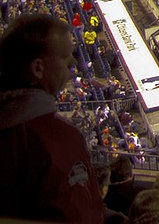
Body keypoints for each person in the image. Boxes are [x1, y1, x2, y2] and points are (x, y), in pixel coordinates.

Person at [0, 14, 104, 223]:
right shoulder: (57, 138)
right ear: (38, 68)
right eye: (65, 58)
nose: (74, 61)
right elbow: (81, 216)